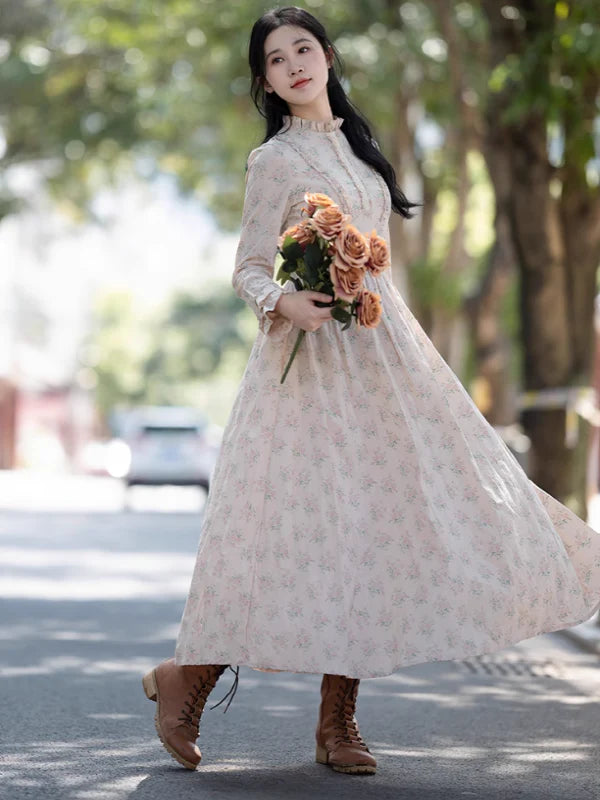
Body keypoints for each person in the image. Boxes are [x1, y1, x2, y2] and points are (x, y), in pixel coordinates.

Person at [142, 5, 600, 777]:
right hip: (309, 370)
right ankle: (189, 679)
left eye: (304, 49)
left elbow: (378, 262)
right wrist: (285, 301)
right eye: (276, 59)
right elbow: (250, 265)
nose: (293, 64)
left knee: (376, 527)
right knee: (283, 531)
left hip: (385, 358)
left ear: (327, 57)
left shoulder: (361, 150)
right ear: (265, 81)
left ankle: (337, 722)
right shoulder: (275, 163)